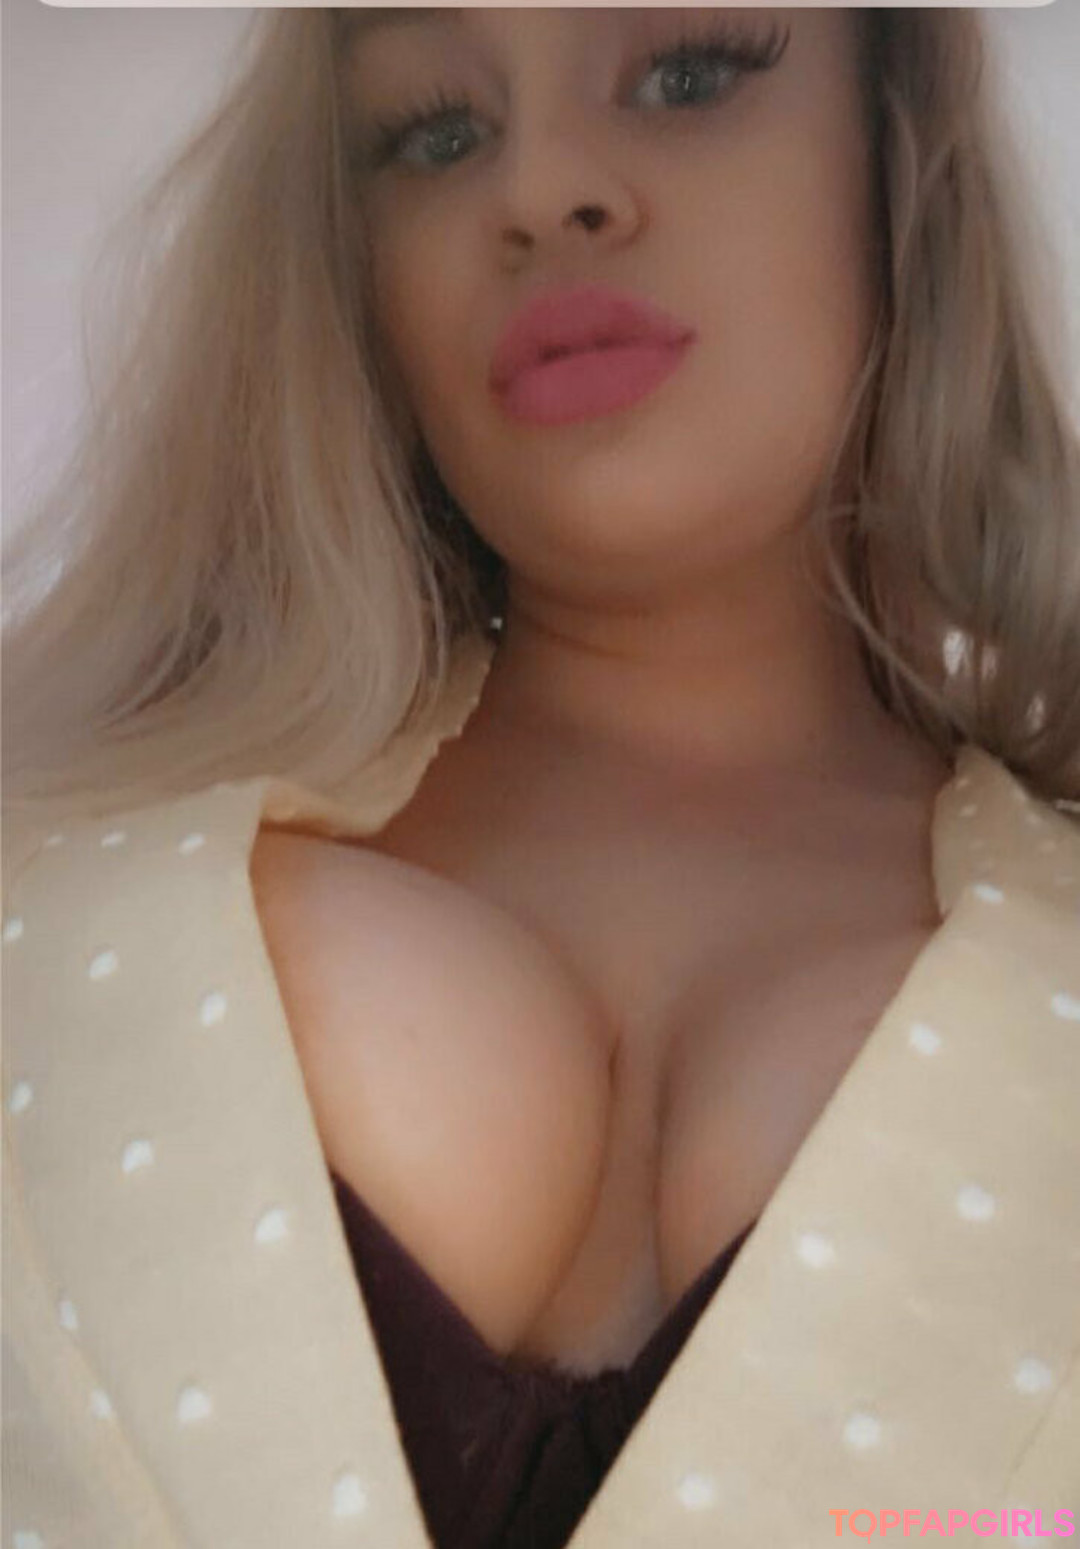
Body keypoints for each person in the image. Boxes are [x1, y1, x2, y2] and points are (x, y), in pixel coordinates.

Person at [3, 9, 1079, 1548]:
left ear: (897, 155)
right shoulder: (39, 881)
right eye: (435, 129)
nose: (541, 186)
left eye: (690, 73)